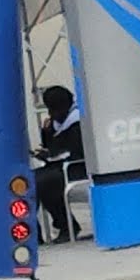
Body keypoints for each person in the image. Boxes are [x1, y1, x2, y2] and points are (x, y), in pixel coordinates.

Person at [33, 86, 87, 243]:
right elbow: (51, 149)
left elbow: (78, 152)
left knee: (43, 182)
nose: (51, 114)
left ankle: (66, 226)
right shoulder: (53, 124)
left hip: (77, 167)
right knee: (26, 180)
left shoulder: (78, 122)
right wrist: (46, 135)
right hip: (57, 167)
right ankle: (33, 233)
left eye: (54, 110)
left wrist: (52, 155)